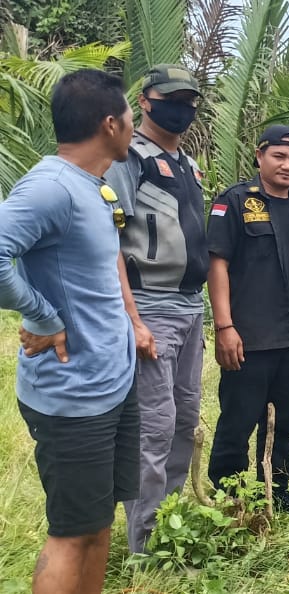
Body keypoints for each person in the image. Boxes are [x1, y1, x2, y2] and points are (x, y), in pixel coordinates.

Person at [0, 69, 137, 594]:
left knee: (98, 523)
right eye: (128, 116)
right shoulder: (51, 186)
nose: (132, 124)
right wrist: (41, 315)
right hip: (72, 394)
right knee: (70, 534)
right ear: (110, 123)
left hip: (110, 385)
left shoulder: (90, 185)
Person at [103, 64, 208, 554]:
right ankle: (145, 545)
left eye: (189, 101)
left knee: (185, 420)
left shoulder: (186, 164)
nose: (182, 108)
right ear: (143, 101)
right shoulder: (129, 159)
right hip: (151, 306)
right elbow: (109, 240)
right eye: (171, 98)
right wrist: (133, 318)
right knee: (154, 427)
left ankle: (170, 525)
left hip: (190, 307)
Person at [206, 125, 289, 514]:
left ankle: (276, 489)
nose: (287, 165)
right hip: (249, 337)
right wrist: (224, 327)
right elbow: (217, 264)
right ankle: (228, 494)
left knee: (286, 422)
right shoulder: (234, 202)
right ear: (260, 157)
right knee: (238, 420)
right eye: (279, 156)